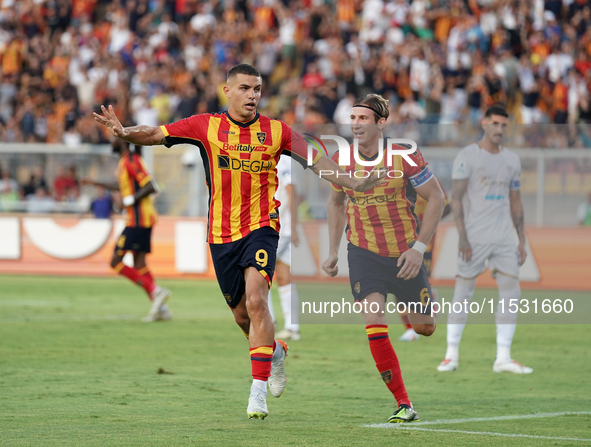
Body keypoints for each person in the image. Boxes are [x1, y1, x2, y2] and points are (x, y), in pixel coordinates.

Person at [92, 64, 383, 420]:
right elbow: (154, 133)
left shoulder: (277, 132)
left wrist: (354, 182)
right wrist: (124, 132)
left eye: (257, 89)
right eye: (245, 88)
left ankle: (256, 393)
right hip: (220, 234)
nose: (253, 95)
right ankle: (274, 351)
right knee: (243, 315)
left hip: (262, 226)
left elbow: (318, 160)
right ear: (227, 91)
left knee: (259, 299)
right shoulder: (205, 126)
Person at [322, 93, 445, 423]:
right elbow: (335, 203)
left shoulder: (404, 155)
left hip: (404, 254)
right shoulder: (341, 158)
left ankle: (419, 299)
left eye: (363, 118)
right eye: (353, 118)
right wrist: (333, 251)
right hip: (362, 252)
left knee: (425, 328)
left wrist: (419, 249)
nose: (356, 124)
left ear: (380, 123)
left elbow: (437, 198)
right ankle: (404, 402)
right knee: (374, 322)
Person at [437, 104, 533, 375]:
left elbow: (516, 201)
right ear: (484, 123)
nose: (500, 129)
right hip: (475, 235)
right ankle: (450, 355)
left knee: (511, 291)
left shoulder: (512, 160)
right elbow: (455, 198)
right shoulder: (467, 156)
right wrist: (462, 236)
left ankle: (503, 357)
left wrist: (521, 240)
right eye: (495, 123)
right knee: (463, 292)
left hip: (504, 236)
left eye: (504, 125)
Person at [80, 140, 172, 322]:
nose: (111, 140)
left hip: (139, 220)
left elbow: (151, 185)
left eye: (115, 137)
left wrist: (128, 201)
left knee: (115, 261)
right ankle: (160, 308)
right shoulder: (125, 161)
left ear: (123, 141)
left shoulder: (132, 160)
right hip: (140, 219)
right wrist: (95, 182)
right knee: (139, 263)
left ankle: (156, 291)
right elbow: (123, 185)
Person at [398, 179, 451, 342]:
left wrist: (428, 220)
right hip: (400, 240)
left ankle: (427, 309)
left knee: (418, 283)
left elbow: (447, 207)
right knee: (399, 282)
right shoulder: (394, 180)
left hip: (424, 242)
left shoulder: (429, 181)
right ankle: (409, 328)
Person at [267, 155, 301, 341]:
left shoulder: (281, 160)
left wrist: (293, 226)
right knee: (283, 275)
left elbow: (293, 192)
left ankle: (268, 323)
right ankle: (292, 327)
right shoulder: (280, 159)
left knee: (258, 273)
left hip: (278, 228)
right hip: (282, 228)